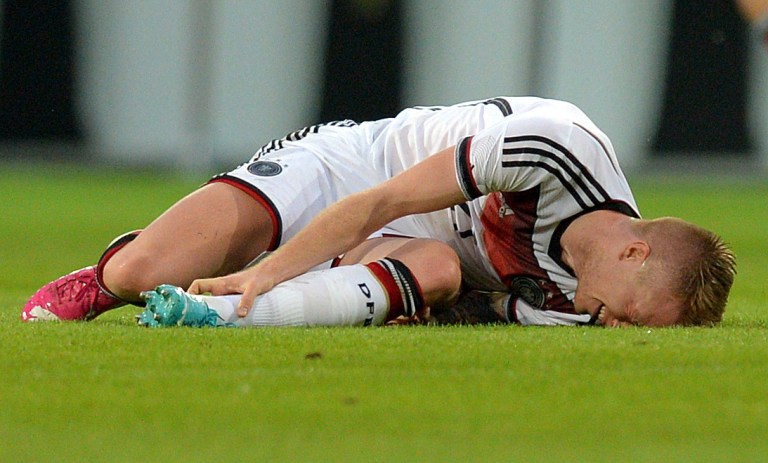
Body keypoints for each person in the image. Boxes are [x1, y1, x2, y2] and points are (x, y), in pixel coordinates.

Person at [22, 96, 736, 328]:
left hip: (414, 247)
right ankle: (120, 268)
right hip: (359, 168)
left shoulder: (580, 302)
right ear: (636, 253)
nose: (611, 327)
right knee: (145, 269)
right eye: (631, 316)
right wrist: (266, 274)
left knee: (431, 267)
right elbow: (380, 202)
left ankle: (233, 309)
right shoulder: (558, 151)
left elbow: (478, 306)